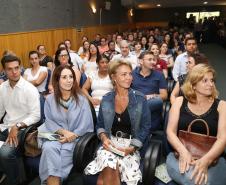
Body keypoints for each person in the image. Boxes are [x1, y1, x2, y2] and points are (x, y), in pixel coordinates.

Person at [84, 60, 151, 185]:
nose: (128, 78)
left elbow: (146, 127)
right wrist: (104, 139)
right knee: (110, 163)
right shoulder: (106, 99)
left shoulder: (140, 98)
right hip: (110, 143)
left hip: (131, 145)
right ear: (114, 77)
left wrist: (131, 148)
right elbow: (100, 126)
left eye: (130, 74)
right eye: (124, 74)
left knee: (105, 174)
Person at [166, 64, 226, 185]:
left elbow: (222, 138)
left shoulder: (222, 106)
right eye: (205, 80)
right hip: (180, 154)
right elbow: (170, 132)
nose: (211, 84)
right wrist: (183, 152)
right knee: (193, 180)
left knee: (204, 182)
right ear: (193, 85)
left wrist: (206, 161)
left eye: (212, 80)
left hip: (213, 159)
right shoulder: (179, 102)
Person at [38, 65, 94, 185]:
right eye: (64, 77)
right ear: (57, 80)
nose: (69, 80)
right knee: (48, 148)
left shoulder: (82, 100)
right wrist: (64, 132)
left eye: (71, 77)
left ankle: (51, 181)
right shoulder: (49, 100)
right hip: (57, 137)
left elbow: (86, 125)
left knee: (56, 165)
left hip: (75, 140)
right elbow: (49, 121)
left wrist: (72, 135)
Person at [0, 55, 40, 185]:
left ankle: (15, 181)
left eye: (17, 68)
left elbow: (36, 115)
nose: (14, 72)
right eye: (10, 69)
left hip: (22, 130)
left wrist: (17, 126)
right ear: (4, 71)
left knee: (5, 153)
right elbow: (0, 111)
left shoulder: (30, 89)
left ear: (21, 68)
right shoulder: (2, 88)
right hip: (5, 127)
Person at [131, 51, 167, 131]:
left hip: (151, 105)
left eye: (153, 60)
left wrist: (151, 96)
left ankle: (135, 126)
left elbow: (164, 95)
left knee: (156, 101)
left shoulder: (159, 75)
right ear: (141, 61)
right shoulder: (132, 74)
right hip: (135, 102)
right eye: (149, 59)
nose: (153, 62)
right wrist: (142, 97)